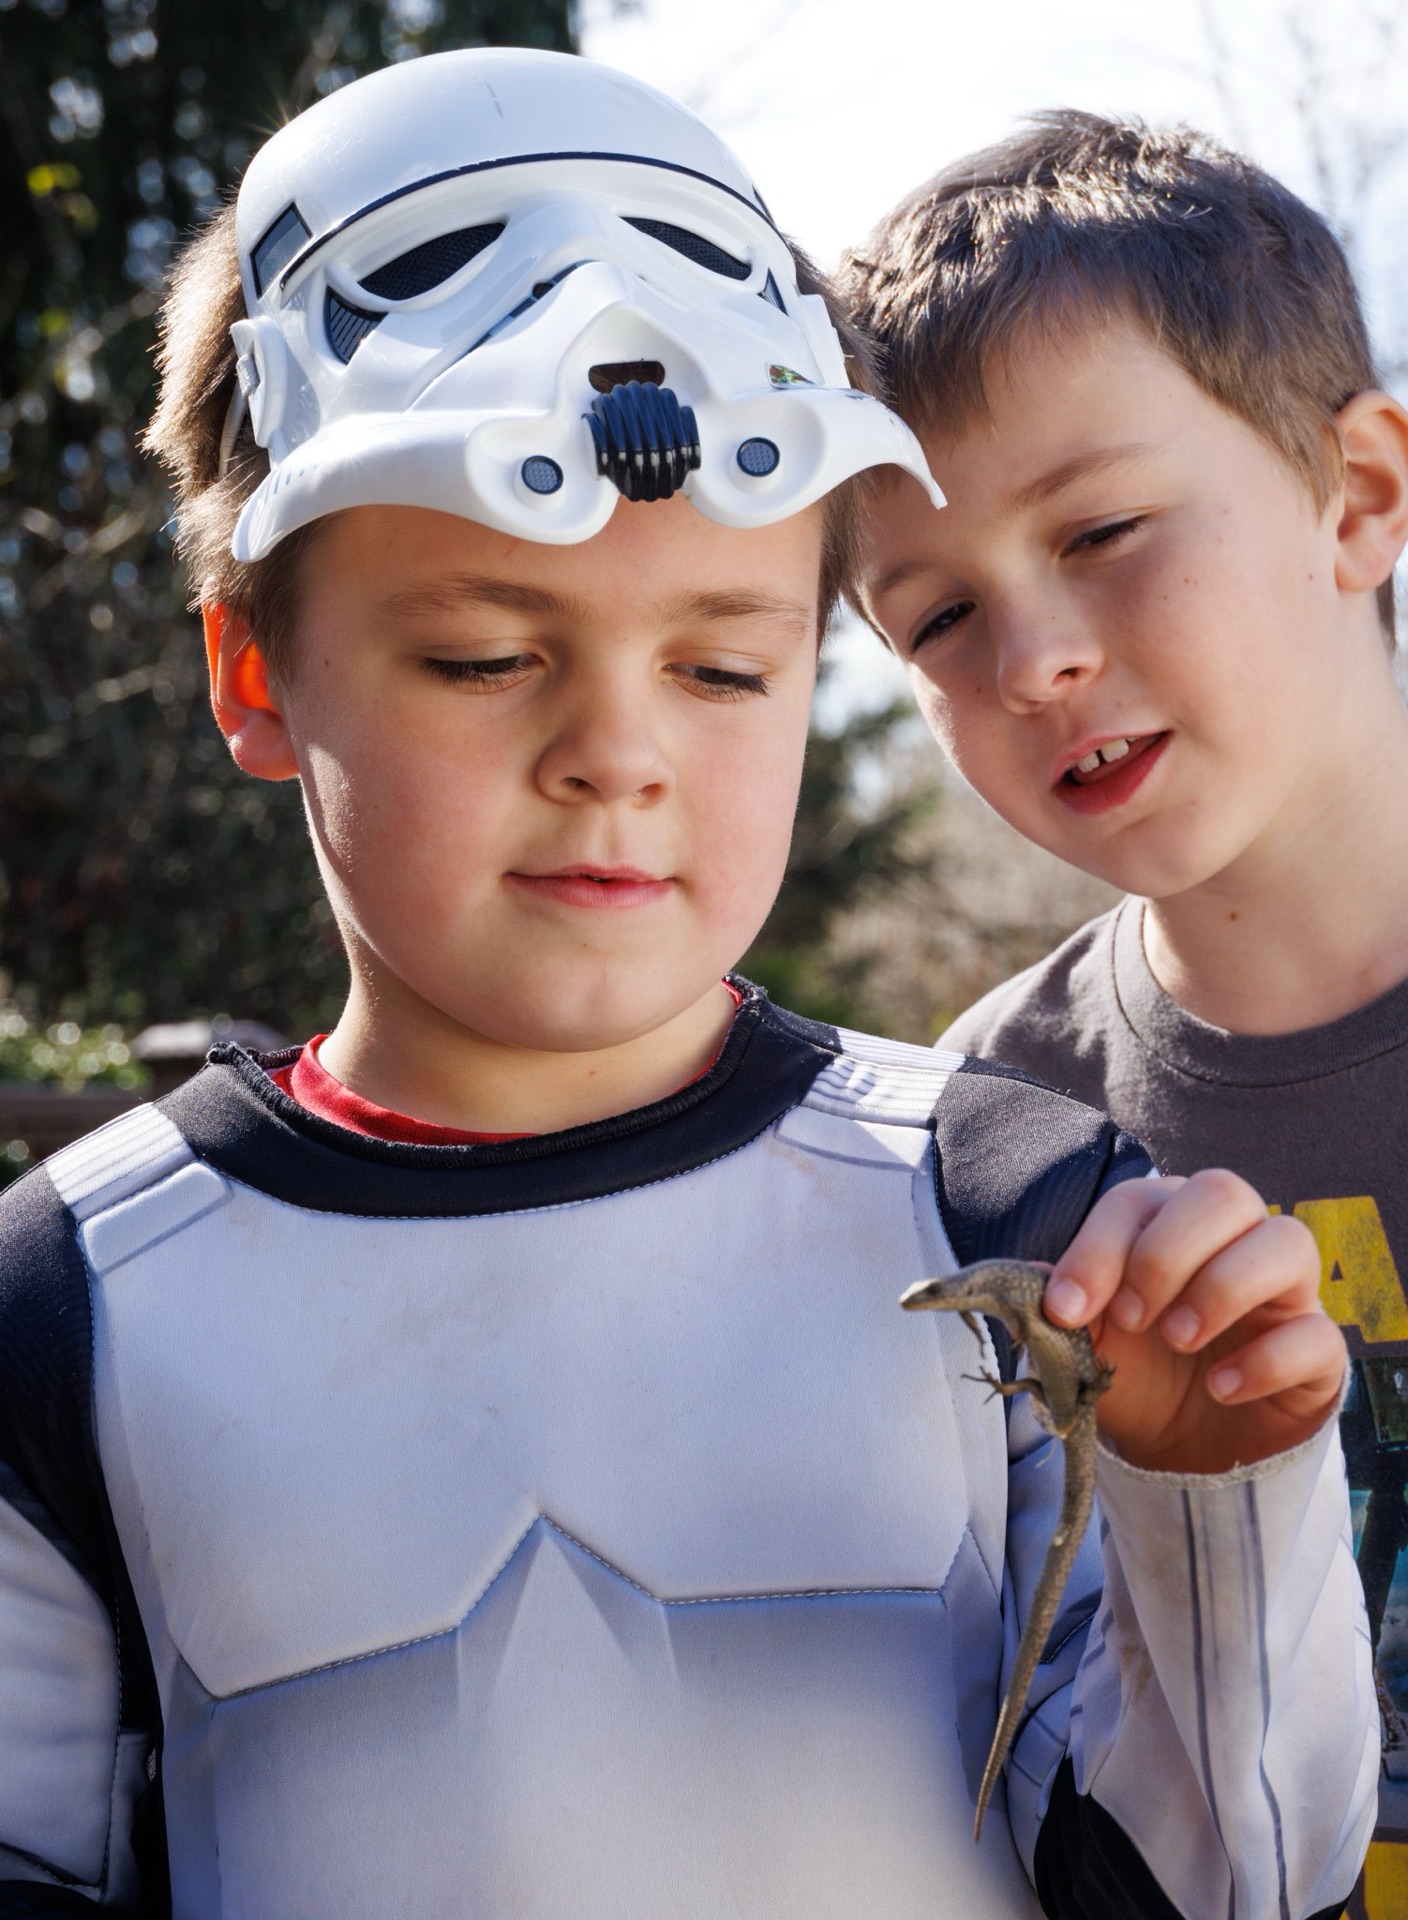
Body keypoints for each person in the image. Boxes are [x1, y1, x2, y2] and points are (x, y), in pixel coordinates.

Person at [0, 62, 1369, 1920]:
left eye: (724, 672)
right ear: (254, 670)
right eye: (486, 656)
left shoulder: (1018, 1202)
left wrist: (1212, 1506)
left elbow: (1234, 1884)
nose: (615, 755)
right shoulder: (63, 1312)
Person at [842, 109, 1408, 1905]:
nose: (1033, 661)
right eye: (933, 622)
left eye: (1100, 528)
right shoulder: (985, 1136)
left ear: (1362, 497)